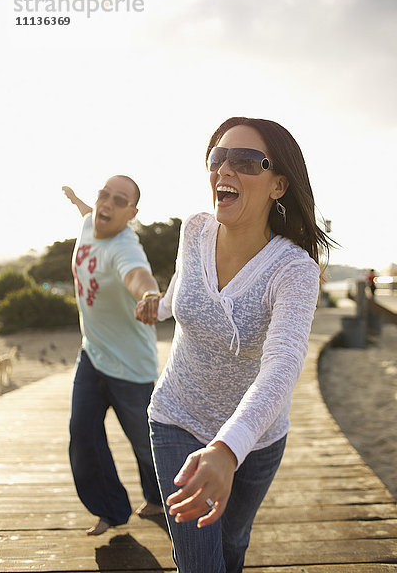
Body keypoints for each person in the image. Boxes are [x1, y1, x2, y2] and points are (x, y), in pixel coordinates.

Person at [136, 117, 332, 572]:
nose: (225, 170)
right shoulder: (194, 230)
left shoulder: (294, 271)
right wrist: (159, 306)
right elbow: (184, 288)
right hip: (176, 418)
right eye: (218, 158)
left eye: (246, 161)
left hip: (256, 442)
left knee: (233, 544)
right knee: (199, 562)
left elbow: (281, 368)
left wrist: (228, 450)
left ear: (278, 185)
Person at [62, 176, 163, 536]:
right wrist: (76, 199)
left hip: (131, 368)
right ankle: (109, 509)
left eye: (119, 201)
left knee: (145, 444)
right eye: (104, 195)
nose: (107, 204)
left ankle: (160, 498)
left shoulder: (126, 248)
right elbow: (89, 211)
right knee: (82, 433)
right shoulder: (91, 220)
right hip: (92, 354)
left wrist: (149, 295)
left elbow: (138, 276)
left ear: (132, 213)